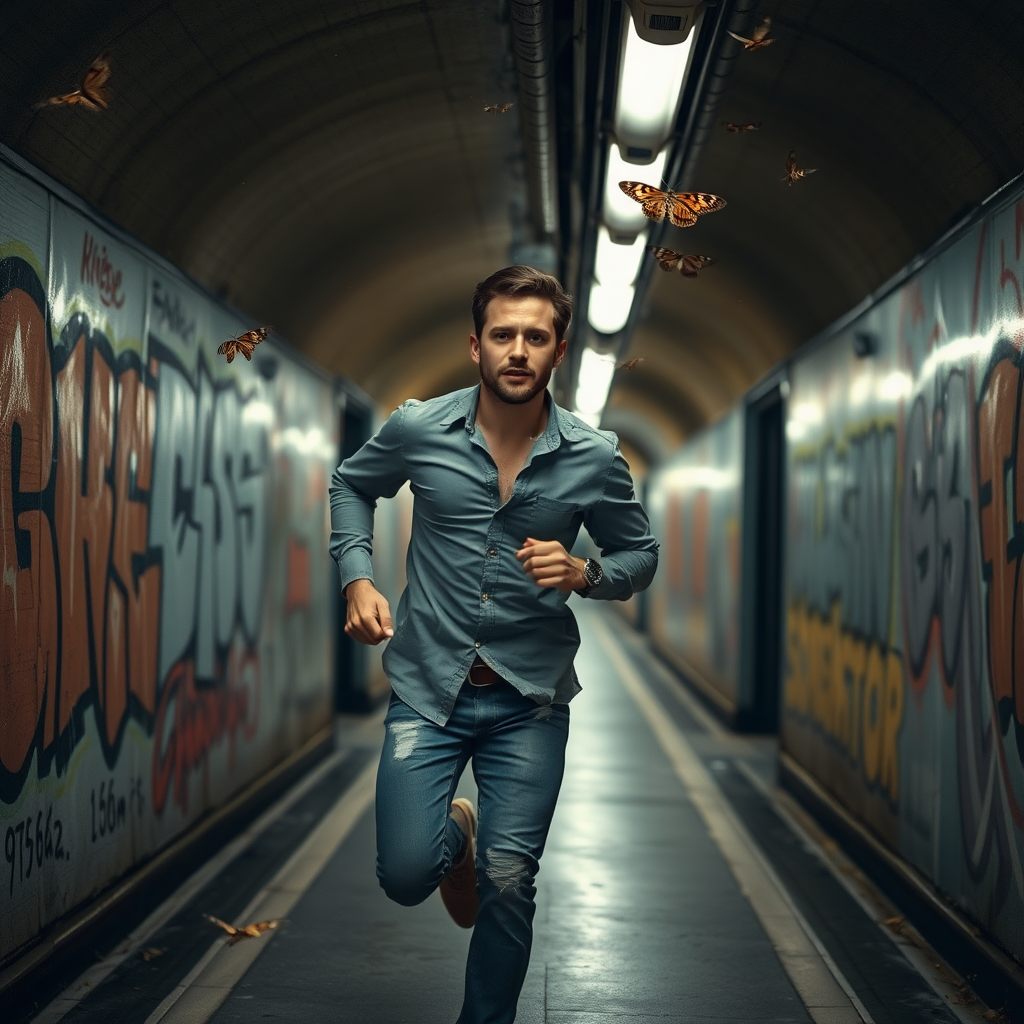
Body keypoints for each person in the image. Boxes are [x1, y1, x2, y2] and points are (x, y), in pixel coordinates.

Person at [328, 265, 658, 1023]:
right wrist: (356, 577)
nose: (518, 350)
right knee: (407, 872)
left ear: (558, 351)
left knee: (511, 882)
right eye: (503, 335)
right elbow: (352, 484)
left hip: (529, 703)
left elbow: (641, 556)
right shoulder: (419, 428)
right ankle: (458, 834)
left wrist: (585, 572)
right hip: (426, 690)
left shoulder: (594, 457)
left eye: (535, 337)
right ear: (475, 346)